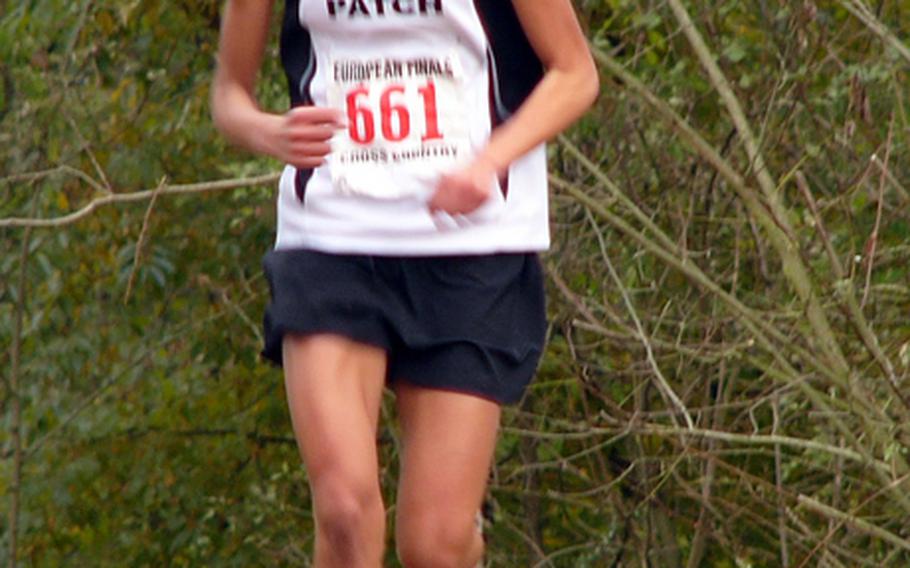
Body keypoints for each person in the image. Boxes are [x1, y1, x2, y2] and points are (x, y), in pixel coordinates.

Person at [211, 1, 598, 566]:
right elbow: (228, 97)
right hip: (333, 235)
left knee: (434, 547)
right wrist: (268, 132)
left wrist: (491, 161)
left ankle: (464, 545)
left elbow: (575, 73)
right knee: (344, 510)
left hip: (469, 248)